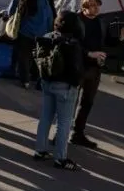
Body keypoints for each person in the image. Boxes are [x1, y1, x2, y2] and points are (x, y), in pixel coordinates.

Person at [33, 10, 86, 170]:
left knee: (45, 117)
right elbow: (76, 68)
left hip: (47, 82)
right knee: (64, 123)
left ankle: (40, 151)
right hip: (65, 86)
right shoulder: (72, 43)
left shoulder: (47, 36)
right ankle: (60, 158)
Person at [72, 0, 109, 149]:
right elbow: (72, 43)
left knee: (87, 103)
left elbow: (105, 43)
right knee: (70, 103)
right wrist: (88, 53)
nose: (96, 8)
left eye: (98, 5)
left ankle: (78, 134)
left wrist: (120, 39)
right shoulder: (76, 20)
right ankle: (60, 133)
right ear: (84, 7)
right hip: (78, 67)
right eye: (93, 5)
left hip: (94, 69)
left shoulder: (100, 22)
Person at [7, 0, 54, 89]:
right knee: (38, 57)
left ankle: (25, 80)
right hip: (41, 33)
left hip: (24, 32)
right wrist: (48, 31)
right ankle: (37, 79)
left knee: (23, 57)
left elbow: (10, 12)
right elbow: (49, 16)